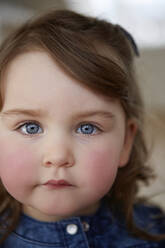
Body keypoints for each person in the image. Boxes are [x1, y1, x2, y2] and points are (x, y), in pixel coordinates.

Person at [0, 9, 164, 248]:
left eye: (87, 128)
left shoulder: (154, 230)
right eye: (30, 127)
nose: (57, 156)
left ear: (125, 143)